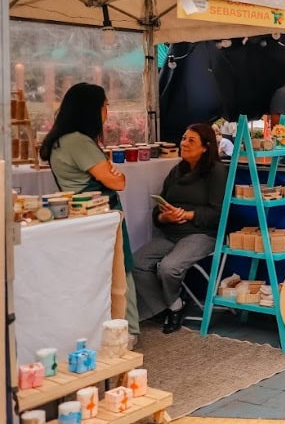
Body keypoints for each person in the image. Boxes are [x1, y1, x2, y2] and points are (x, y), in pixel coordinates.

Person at [39, 83, 140, 348]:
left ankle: (103, 328)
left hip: (82, 215)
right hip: (101, 215)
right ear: (91, 110)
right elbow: (117, 182)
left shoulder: (62, 140)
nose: (107, 111)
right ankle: (126, 331)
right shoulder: (78, 142)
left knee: (95, 275)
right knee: (120, 272)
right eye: (105, 105)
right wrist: (114, 174)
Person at [134, 123, 226, 333]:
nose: (184, 143)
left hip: (200, 234)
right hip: (169, 234)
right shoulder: (176, 171)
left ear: (206, 147)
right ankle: (173, 305)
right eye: (183, 138)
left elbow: (218, 214)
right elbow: (157, 213)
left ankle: (170, 306)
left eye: (191, 140)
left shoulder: (217, 172)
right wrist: (164, 217)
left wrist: (187, 214)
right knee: (135, 264)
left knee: (169, 268)